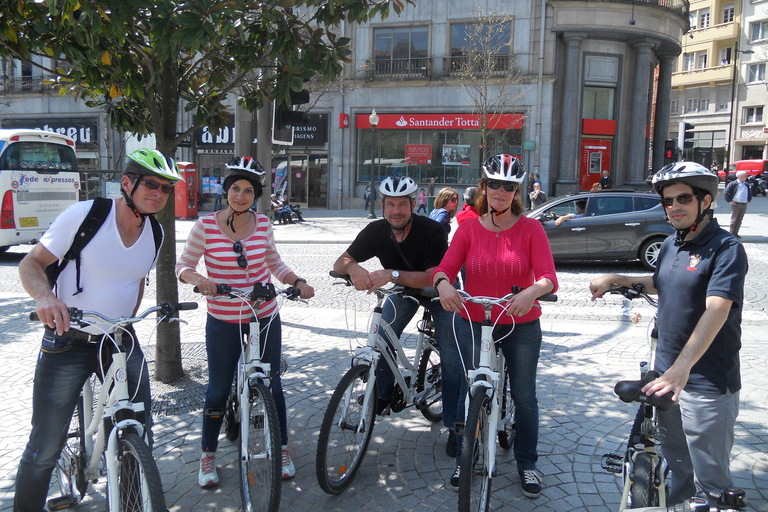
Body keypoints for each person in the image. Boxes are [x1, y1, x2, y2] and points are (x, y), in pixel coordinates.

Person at [14, 149, 183, 512]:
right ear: (127, 183)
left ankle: (133, 503)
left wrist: (127, 319)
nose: (158, 193)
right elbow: (32, 263)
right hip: (68, 340)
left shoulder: (156, 232)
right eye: (150, 184)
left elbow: (137, 281)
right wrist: (45, 297)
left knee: (138, 429)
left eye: (166, 189)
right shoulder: (86, 215)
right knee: (45, 445)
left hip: (119, 340)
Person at [590, 162, 747, 507]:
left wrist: (682, 368)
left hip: (705, 380)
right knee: (678, 463)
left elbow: (717, 308)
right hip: (666, 375)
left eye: (683, 199)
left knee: (711, 482)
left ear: (705, 202)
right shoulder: (671, 245)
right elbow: (661, 283)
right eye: (668, 201)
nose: (674, 207)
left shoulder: (726, 248)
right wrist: (616, 280)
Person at [176, 156, 315, 488]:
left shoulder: (264, 224)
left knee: (272, 385)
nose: (241, 196)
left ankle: (280, 448)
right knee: (217, 391)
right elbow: (183, 266)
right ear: (226, 192)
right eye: (235, 189)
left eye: (248, 191)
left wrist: (297, 281)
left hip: (263, 317)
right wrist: (200, 279)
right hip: (223, 320)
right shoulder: (206, 226)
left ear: (256, 195)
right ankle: (207, 453)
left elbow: (274, 262)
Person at [432, 154, 558, 498]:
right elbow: (444, 268)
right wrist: (444, 284)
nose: (499, 192)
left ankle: (527, 464)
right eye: (493, 184)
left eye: (507, 186)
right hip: (474, 321)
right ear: (483, 187)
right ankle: (464, 455)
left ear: (515, 190)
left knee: (524, 396)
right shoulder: (469, 228)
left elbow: (549, 278)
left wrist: (532, 292)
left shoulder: (531, 229)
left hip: (520, 324)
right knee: (468, 390)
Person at [333, 175, 466, 459]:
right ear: (382, 205)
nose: (396, 210)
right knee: (380, 332)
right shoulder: (376, 231)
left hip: (440, 293)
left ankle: (457, 426)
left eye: (402, 204)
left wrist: (391, 275)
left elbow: (433, 276)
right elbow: (341, 261)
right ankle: (383, 393)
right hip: (405, 290)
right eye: (390, 204)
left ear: (413, 204)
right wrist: (354, 269)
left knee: (454, 361)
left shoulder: (432, 230)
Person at [722, 170, 751, 238]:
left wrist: (748, 200)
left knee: (740, 219)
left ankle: (736, 233)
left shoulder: (745, 184)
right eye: (745, 176)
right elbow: (725, 193)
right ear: (740, 176)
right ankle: (731, 233)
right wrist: (729, 201)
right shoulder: (733, 184)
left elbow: (749, 193)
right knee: (734, 219)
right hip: (736, 204)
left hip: (744, 204)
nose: (746, 177)